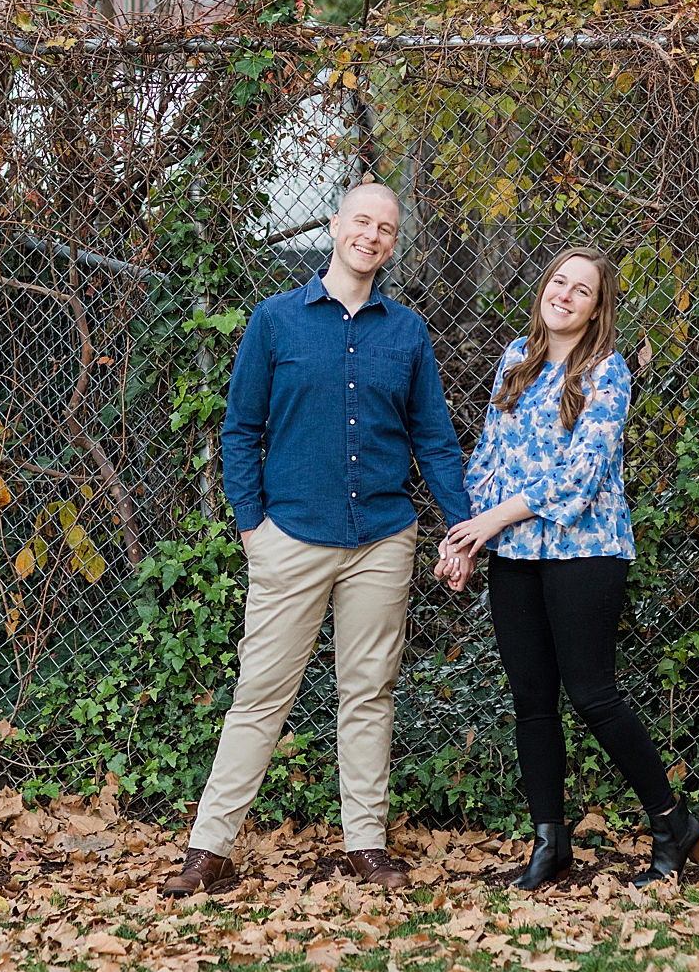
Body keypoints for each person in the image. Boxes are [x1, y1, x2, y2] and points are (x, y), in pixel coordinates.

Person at [162, 182, 475, 897]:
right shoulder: (275, 322)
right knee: (261, 693)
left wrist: (458, 530)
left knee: (368, 693)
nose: (372, 235)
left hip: (382, 539)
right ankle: (208, 850)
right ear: (336, 226)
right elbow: (241, 428)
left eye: (386, 228)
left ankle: (366, 844)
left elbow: (434, 437)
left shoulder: (407, 333)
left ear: (394, 243)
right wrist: (252, 528)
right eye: (362, 220)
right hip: (291, 537)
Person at [436, 246, 699, 890]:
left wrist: (492, 522)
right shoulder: (515, 360)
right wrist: (465, 542)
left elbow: (579, 480)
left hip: (585, 550)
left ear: (596, 309)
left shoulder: (607, 372)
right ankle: (550, 843)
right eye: (557, 281)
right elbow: (487, 458)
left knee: (591, 695)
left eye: (580, 290)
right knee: (532, 700)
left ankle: (673, 822)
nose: (563, 294)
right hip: (516, 556)